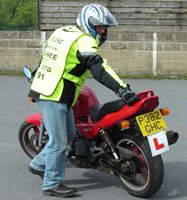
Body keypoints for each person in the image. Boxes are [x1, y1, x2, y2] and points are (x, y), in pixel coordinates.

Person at [27, 4, 139, 198]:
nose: (103, 31)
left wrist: (35, 81)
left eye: (105, 27)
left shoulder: (63, 32)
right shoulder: (85, 41)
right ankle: (51, 184)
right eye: (99, 27)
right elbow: (100, 70)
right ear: (88, 23)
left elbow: (49, 58)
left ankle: (37, 164)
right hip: (53, 94)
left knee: (69, 135)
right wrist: (122, 90)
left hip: (56, 92)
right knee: (59, 142)